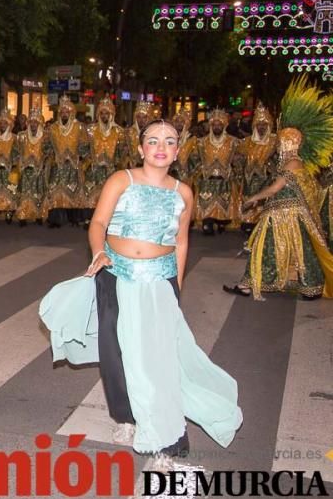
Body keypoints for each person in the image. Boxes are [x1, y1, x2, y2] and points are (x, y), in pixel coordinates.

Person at [39, 119, 243, 467]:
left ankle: (167, 437)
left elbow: (181, 242)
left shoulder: (183, 193)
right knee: (116, 353)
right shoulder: (122, 180)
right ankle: (127, 417)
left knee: (157, 359)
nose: (161, 146)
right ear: (140, 148)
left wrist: (175, 286)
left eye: (169, 141)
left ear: (177, 151)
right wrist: (99, 251)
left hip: (159, 281)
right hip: (116, 275)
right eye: (153, 140)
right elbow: (99, 223)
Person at [224, 79, 333, 301]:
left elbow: (275, 187)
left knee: (263, 248)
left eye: (283, 142)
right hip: (288, 216)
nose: (280, 145)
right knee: (300, 250)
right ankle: (309, 288)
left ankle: (249, 285)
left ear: (289, 143)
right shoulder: (295, 162)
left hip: (282, 216)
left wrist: (252, 198)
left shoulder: (292, 163)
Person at [191, 108, 242, 235]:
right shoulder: (201, 142)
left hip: (225, 179)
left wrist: (236, 169)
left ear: (224, 125)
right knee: (206, 207)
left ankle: (221, 222)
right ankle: (207, 223)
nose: (217, 127)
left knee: (224, 206)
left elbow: (240, 159)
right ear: (210, 126)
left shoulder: (233, 142)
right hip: (207, 180)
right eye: (214, 124)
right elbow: (195, 158)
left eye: (219, 124)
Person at [45, 95, 88, 228]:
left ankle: (74, 218)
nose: (64, 114)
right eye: (62, 112)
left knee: (73, 190)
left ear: (71, 113)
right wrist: (49, 152)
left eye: (66, 112)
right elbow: (47, 146)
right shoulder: (53, 128)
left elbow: (85, 144)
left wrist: (78, 155)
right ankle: (56, 220)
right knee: (55, 189)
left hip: (73, 165)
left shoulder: (79, 127)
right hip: (58, 164)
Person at [236, 105, 278, 232]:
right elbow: (239, 160)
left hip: (267, 179)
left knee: (264, 207)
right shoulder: (247, 142)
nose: (261, 127)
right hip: (249, 181)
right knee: (248, 221)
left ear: (269, 125)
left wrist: (270, 163)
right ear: (254, 126)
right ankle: (249, 223)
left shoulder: (275, 141)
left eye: (264, 124)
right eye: (259, 124)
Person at [83, 97, 124, 225]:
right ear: (98, 114)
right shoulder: (90, 130)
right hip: (94, 170)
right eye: (102, 113)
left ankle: (110, 221)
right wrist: (90, 160)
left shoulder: (119, 132)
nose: (104, 116)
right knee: (92, 194)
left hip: (111, 171)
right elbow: (84, 149)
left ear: (112, 114)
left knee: (110, 196)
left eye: (107, 113)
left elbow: (121, 152)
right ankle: (91, 220)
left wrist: (114, 163)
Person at [14, 107, 48, 226]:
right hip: (25, 170)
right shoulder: (22, 136)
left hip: (39, 170)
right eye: (31, 122)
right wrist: (20, 163)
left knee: (38, 193)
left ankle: (38, 215)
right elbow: (16, 152)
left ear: (39, 123)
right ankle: (22, 216)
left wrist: (44, 163)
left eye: (35, 122)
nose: (33, 125)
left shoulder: (45, 137)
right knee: (24, 194)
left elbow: (49, 152)